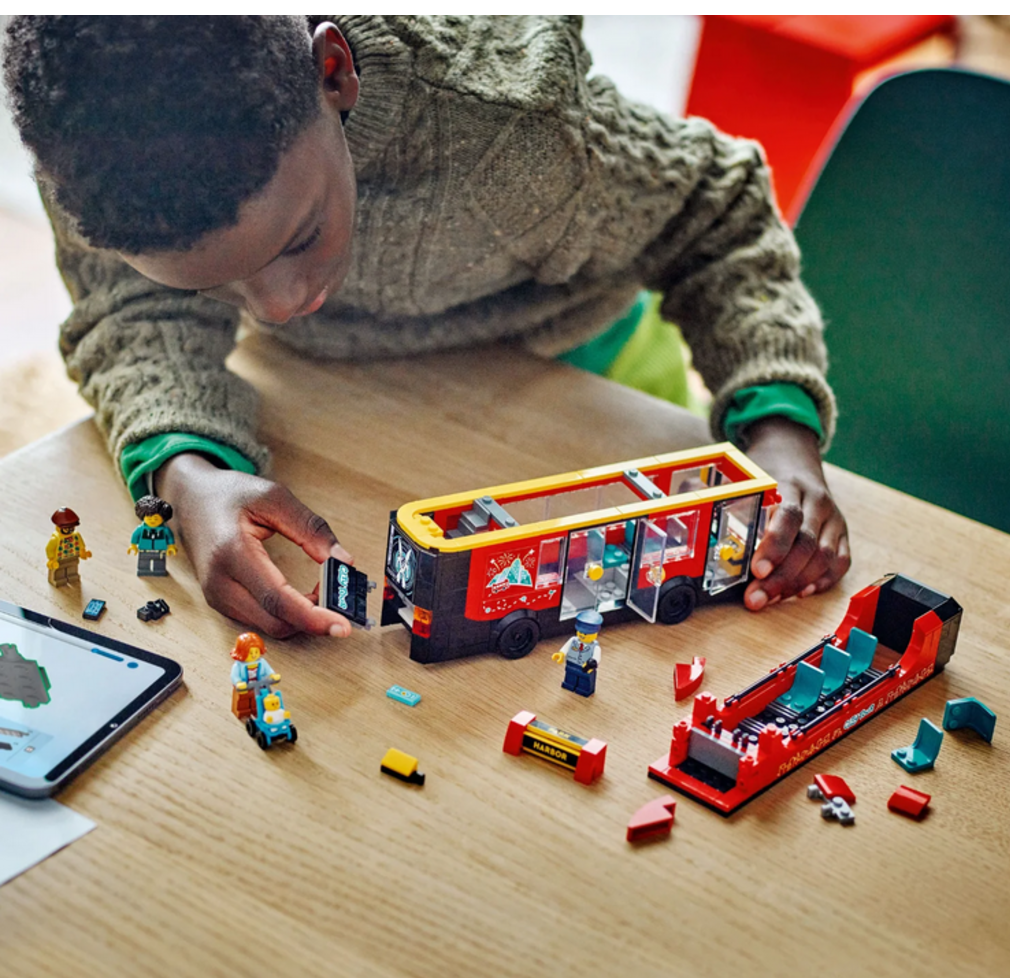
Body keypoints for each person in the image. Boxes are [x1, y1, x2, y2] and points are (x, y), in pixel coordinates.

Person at [3, 16, 849, 639]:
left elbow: (717, 213)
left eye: (300, 238)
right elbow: (132, 305)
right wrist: (187, 470)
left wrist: (776, 431)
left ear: (335, 73)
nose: (277, 305)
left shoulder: (510, 130)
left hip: (586, 369)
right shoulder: (101, 162)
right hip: (345, 401)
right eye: (218, 286)